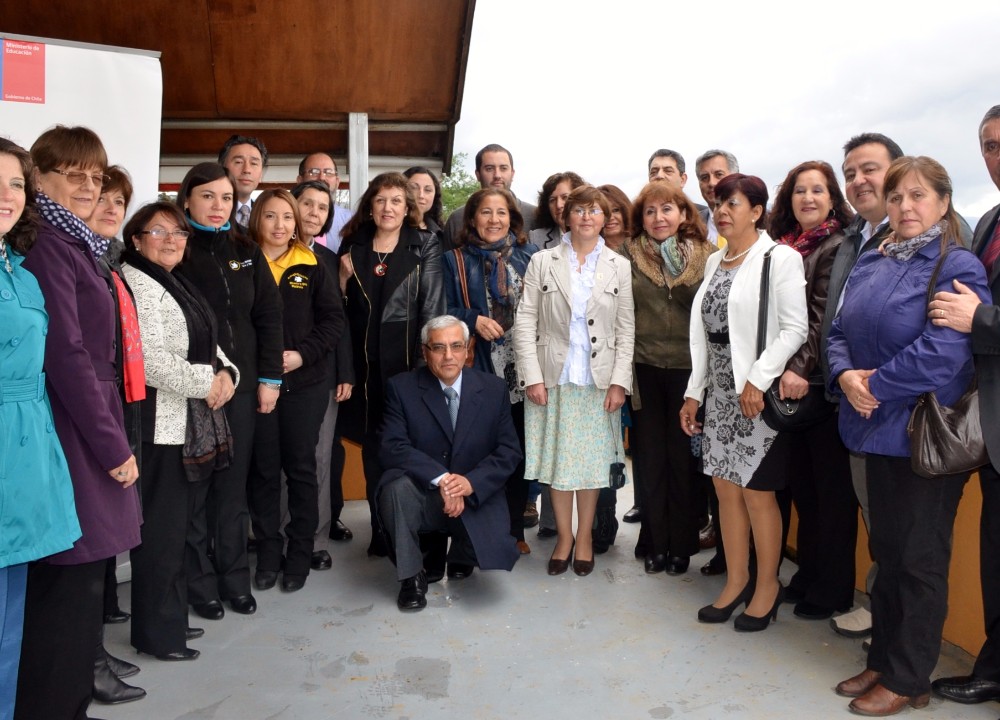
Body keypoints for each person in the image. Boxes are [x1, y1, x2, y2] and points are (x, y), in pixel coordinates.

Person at [827, 156, 990, 716]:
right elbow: (838, 329)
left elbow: (945, 355)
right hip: (870, 426)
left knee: (918, 561)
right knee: (889, 552)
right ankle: (884, 659)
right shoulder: (872, 259)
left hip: (920, 436)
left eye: (918, 196)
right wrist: (845, 375)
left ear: (943, 203)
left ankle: (909, 676)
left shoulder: (956, 264)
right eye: (896, 198)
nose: (905, 207)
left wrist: (875, 384)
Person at [16, 125, 143, 719]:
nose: (89, 187)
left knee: (83, 580)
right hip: (74, 434)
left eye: (96, 175)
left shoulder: (75, 245)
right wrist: (113, 446)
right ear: (37, 177)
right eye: (74, 175)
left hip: (84, 426)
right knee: (68, 585)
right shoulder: (47, 244)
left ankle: (68, 699)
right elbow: (66, 355)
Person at [680, 173, 807, 633]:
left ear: (757, 211)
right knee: (725, 492)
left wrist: (757, 379)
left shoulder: (780, 258)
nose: (722, 211)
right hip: (718, 395)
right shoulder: (716, 262)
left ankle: (767, 587)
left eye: (732, 202)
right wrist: (694, 393)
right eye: (717, 203)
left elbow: (795, 328)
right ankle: (736, 582)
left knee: (757, 495)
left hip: (755, 397)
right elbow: (705, 339)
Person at [121, 201, 238, 661]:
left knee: (177, 529)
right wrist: (206, 382)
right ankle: (156, 634)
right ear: (136, 239)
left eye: (179, 233)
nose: (171, 240)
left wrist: (228, 375)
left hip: (190, 424)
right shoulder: (137, 283)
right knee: (162, 533)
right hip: (160, 424)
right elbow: (147, 360)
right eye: (158, 231)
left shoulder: (175, 281)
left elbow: (211, 342)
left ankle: (168, 619)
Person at [175, 162, 284, 621]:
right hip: (191, 390)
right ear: (187, 201)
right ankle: (199, 585)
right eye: (207, 197)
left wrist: (270, 380)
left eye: (225, 198)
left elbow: (269, 317)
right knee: (195, 492)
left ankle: (234, 580)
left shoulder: (246, 250)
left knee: (232, 490)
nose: (217, 206)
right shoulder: (175, 249)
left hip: (242, 393)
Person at [513, 185, 635, 578]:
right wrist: (532, 377)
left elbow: (626, 329)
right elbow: (525, 321)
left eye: (594, 211)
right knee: (558, 464)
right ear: (566, 216)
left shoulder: (619, 265)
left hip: (598, 383)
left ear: (605, 218)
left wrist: (620, 382)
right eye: (579, 210)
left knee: (591, 466)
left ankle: (585, 539)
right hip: (554, 380)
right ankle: (564, 538)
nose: (586, 217)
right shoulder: (543, 261)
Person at [0, 137, 81, 720]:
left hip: (27, 453)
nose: (6, 196)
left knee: (10, 624)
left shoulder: (22, 272)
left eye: (13, 184)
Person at [926, 106, 1000, 707]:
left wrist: (982, 318)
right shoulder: (993, 220)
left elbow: (979, 314)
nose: (996, 155)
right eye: (990, 146)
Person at [377, 316, 521, 610]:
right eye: (438, 347)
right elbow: (393, 446)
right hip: (424, 492)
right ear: (424, 351)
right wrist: (442, 479)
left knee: (488, 550)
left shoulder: (493, 389)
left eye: (456, 346)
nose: (448, 356)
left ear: (468, 349)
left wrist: (469, 484)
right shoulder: (401, 388)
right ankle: (411, 577)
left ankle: (460, 554)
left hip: (473, 494)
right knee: (395, 489)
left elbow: (508, 451)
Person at [821, 132, 904, 641]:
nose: (858, 180)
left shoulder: (933, 234)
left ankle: (894, 623)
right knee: (875, 515)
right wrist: (843, 375)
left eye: (869, 169)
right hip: (852, 402)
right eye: (849, 172)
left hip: (899, 406)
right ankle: (879, 604)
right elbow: (837, 324)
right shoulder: (856, 239)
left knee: (900, 527)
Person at [767, 161, 857, 621]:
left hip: (817, 385)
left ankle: (834, 587)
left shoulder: (837, 246)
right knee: (804, 489)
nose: (808, 198)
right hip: (788, 385)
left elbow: (823, 314)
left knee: (831, 493)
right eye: (799, 190)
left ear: (831, 198)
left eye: (818, 190)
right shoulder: (787, 247)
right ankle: (809, 574)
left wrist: (800, 366)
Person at [339, 172, 445, 556]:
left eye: (396, 201)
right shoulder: (352, 247)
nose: (388, 208)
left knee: (408, 448)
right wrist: (340, 277)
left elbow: (432, 310)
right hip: (365, 370)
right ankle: (380, 528)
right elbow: (339, 311)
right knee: (372, 450)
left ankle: (411, 525)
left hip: (407, 369)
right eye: (381, 200)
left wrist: (426, 370)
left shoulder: (426, 245)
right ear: (370, 205)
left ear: (407, 208)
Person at [247, 189, 343, 593]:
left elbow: (333, 321)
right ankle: (269, 553)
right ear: (257, 221)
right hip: (256, 387)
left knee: (301, 468)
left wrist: (302, 356)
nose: (281, 225)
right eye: (271, 216)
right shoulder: (241, 263)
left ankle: (299, 554)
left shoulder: (314, 263)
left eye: (288, 217)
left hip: (306, 383)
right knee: (264, 471)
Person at [624, 181, 715, 576]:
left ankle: (682, 544)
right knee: (650, 460)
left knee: (683, 462)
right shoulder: (626, 256)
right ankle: (656, 543)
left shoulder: (709, 257)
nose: (658, 218)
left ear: (683, 213)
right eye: (650, 211)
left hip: (690, 372)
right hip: (643, 369)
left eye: (667, 209)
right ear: (640, 218)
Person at [443, 187, 538, 560]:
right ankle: (469, 539)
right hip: (479, 368)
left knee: (514, 452)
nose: (494, 220)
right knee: (474, 453)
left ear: (513, 220)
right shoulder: (453, 260)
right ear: (472, 219)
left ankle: (513, 530)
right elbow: (439, 308)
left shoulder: (531, 258)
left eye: (502, 213)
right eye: (486, 212)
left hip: (522, 370)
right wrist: (472, 319)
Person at [82, 162, 147, 703]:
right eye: (103, 196)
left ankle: (94, 651)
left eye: (119, 202)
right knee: (88, 540)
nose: (109, 208)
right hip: (89, 411)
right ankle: (87, 661)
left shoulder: (114, 262)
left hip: (115, 401)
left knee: (101, 539)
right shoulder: (77, 257)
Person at [290, 180, 355, 567]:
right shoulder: (263, 255)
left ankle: (313, 538)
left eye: (321, 208)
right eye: (307, 204)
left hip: (324, 373)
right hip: (277, 373)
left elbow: (339, 321)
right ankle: (280, 533)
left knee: (319, 456)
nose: (313, 213)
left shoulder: (331, 261)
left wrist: (345, 371)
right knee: (280, 459)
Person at [525, 171, 586, 538]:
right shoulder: (536, 242)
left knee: (587, 447)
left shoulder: (601, 243)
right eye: (554, 199)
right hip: (548, 354)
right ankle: (553, 524)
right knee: (552, 443)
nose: (562, 205)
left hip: (588, 361)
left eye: (569, 197)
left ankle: (593, 526)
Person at [442, 144, 538, 245]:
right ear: (478, 174)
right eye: (489, 169)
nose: (497, 175)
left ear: (512, 173)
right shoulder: (457, 219)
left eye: (503, 168)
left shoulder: (534, 216)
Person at [296, 152, 353, 247]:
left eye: (329, 172)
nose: (322, 177)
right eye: (314, 172)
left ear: (337, 182)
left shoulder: (352, 221)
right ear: (300, 180)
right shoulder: (286, 217)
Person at [218, 134, 268, 229]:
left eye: (254, 163)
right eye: (238, 162)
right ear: (222, 168)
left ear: (261, 174)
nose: (247, 170)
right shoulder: (212, 211)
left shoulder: (266, 214)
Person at [528, 171, 586, 250]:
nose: (558, 205)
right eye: (552, 200)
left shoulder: (596, 234)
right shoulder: (536, 238)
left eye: (565, 197)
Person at [694, 149, 739, 244]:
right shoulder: (690, 225)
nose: (711, 183)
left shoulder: (762, 223)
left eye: (719, 175)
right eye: (704, 177)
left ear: (736, 177)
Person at [404, 166, 445, 248]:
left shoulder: (442, 233)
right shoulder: (390, 227)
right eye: (413, 188)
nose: (421, 195)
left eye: (428, 190)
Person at [597, 184, 632, 253]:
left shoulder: (646, 244)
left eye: (615, 210)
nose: (610, 218)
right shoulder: (591, 254)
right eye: (604, 212)